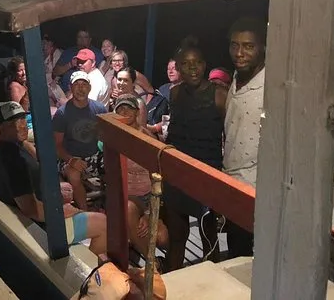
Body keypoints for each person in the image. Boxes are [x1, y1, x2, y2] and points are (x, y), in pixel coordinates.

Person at [0, 101, 108, 255]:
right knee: (104, 224)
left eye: (22, 119)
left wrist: (57, 190)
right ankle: (88, 268)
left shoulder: (14, 147)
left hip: (41, 213)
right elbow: (31, 210)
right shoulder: (12, 160)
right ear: (1, 127)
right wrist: (62, 211)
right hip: (41, 228)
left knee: (69, 190)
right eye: (13, 122)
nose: (22, 125)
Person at [163, 39, 228, 271]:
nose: (193, 68)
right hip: (177, 172)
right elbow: (174, 133)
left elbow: (229, 136)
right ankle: (172, 282)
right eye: (186, 63)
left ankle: (212, 280)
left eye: (197, 62)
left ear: (204, 64)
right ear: (178, 67)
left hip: (207, 172)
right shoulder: (174, 93)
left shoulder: (219, 95)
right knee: (177, 236)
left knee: (208, 235)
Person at [223, 17, 266, 258]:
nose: (239, 53)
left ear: (263, 47)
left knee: (250, 255)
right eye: (234, 45)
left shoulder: (271, 87)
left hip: (256, 188)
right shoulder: (237, 77)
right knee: (235, 250)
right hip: (232, 181)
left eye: (248, 46)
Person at [111, 95, 169, 259]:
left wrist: (149, 212)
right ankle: (152, 263)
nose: (124, 112)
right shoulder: (113, 137)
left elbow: (158, 177)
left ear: (137, 112)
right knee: (130, 211)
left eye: (128, 108)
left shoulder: (147, 139)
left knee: (162, 238)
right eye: (121, 109)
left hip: (148, 196)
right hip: (126, 195)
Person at [54, 71, 108, 210]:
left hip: (94, 155)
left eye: (84, 84)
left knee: (116, 167)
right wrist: (71, 160)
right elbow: (57, 145)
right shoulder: (62, 113)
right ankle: (85, 212)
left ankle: (111, 208)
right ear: (70, 88)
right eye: (76, 84)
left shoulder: (100, 108)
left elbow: (105, 137)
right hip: (70, 157)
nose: (80, 88)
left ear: (89, 88)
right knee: (73, 175)